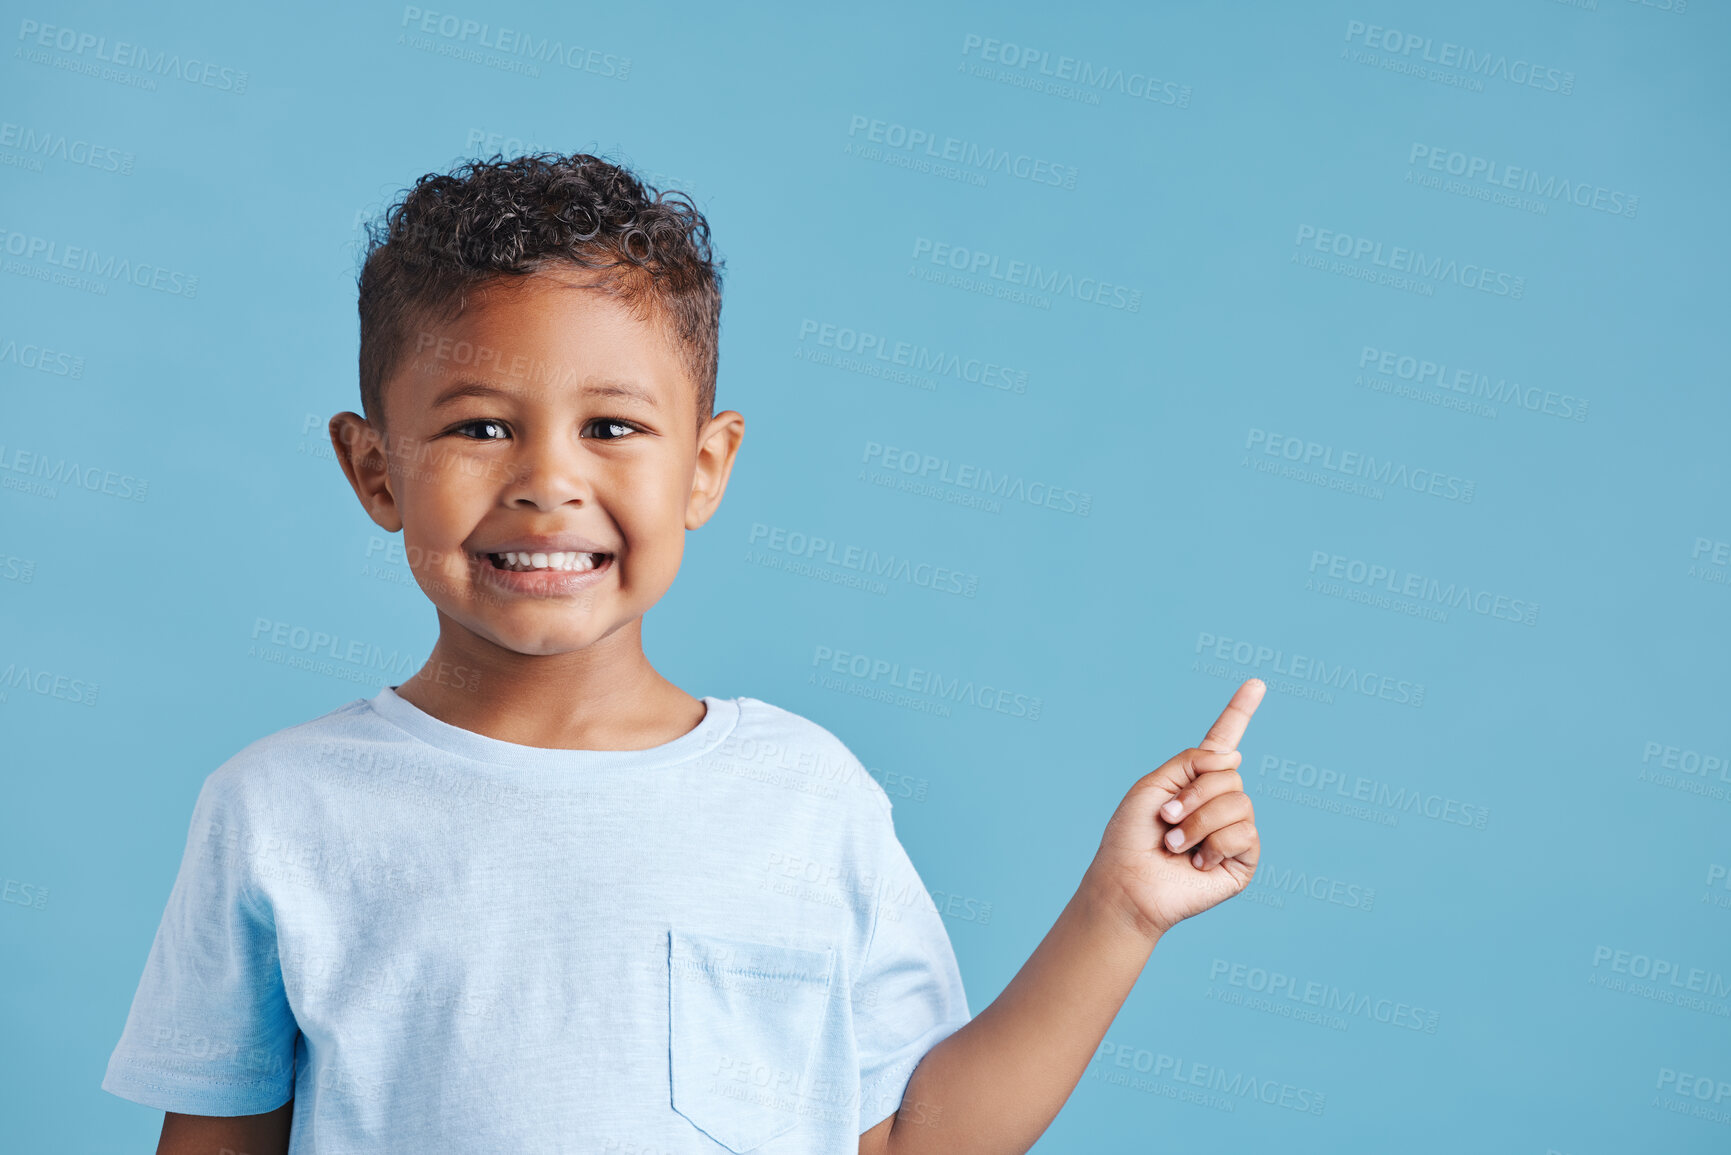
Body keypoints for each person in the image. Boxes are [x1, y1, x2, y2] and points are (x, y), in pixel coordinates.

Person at [100, 151, 1266, 1155]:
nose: (549, 481)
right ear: (374, 470)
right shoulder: (277, 811)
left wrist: (1120, 910)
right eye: (478, 426)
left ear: (705, 467)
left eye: (613, 428)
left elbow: (911, 1137)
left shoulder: (806, 798)